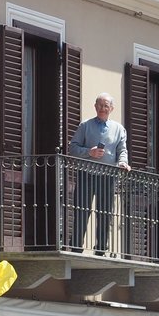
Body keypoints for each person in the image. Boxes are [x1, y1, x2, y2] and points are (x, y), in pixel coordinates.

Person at [68, 92, 129, 253]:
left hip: (108, 177)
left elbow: (122, 150)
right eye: (100, 105)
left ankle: (101, 248)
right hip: (86, 173)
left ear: (112, 109)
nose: (103, 108)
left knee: (105, 213)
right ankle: (75, 246)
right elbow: (72, 148)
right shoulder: (85, 126)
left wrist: (123, 162)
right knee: (82, 210)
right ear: (95, 107)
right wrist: (90, 152)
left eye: (106, 106)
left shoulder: (119, 129)